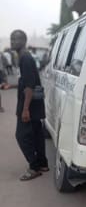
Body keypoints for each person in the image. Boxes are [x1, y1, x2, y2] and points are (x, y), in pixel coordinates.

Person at [6, 30, 48, 181]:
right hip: (34, 104)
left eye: (15, 39)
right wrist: (10, 86)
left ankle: (34, 167)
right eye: (11, 39)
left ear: (23, 41)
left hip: (28, 105)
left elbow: (29, 86)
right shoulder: (25, 57)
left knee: (22, 136)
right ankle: (42, 163)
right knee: (37, 133)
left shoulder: (25, 58)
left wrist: (25, 109)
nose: (12, 42)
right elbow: (27, 81)